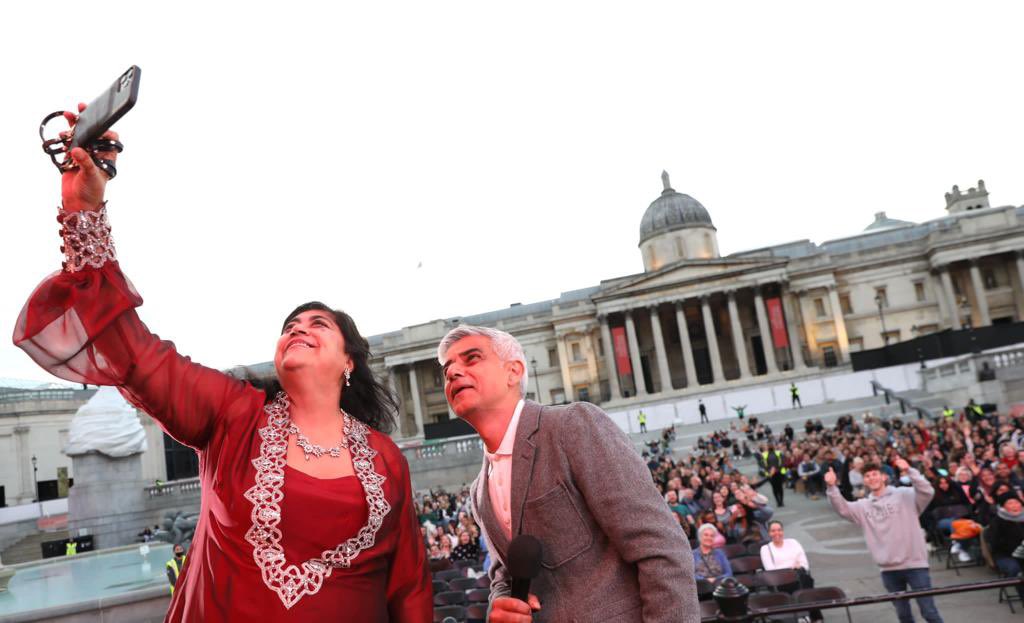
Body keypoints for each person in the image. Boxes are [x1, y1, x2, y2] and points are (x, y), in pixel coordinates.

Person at [12, 107, 431, 621]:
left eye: (318, 324)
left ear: (350, 361)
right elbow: (135, 355)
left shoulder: (387, 460)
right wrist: (85, 212)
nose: (298, 328)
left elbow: (409, 589)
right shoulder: (235, 415)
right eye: (289, 327)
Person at [438, 325, 698, 622]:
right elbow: (505, 577)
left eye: (471, 358)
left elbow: (662, 550)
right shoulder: (478, 490)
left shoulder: (572, 426)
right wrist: (502, 604)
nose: (453, 372)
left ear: (513, 372)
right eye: (447, 367)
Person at [825, 460, 943, 623]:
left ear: (884, 477)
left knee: (929, 613)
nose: (871, 478)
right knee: (904, 616)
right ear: (864, 481)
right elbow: (842, 509)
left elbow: (927, 491)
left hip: (915, 565)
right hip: (888, 570)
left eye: (875, 474)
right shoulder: (863, 506)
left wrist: (910, 470)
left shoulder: (905, 495)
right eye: (867, 476)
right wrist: (832, 488)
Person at [760, 521, 821, 623]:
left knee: (804, 578)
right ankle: (813, 615)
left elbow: (804, 564)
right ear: (769, 533)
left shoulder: (793, 542)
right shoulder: (765, 549)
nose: (777, 533)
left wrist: (793, 568)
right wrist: (791, 567)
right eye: (773, 531)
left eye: (779, 530)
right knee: (804, 583)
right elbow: (770, 570)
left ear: (783, 531)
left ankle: (803, 615)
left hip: (799, 575)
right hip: (780, 581)